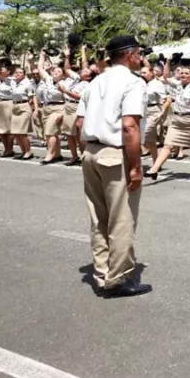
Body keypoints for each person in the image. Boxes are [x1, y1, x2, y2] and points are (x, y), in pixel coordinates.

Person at [75, 35, 151, 298]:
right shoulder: (133, 82)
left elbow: (78, 123)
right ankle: (117, 278)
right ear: (129, 54)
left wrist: (86, 151)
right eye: (139, 53)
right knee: (121, 219)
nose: (140, 58)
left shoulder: (94, 82)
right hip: (115, 152)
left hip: (91, 151)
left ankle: (101, 272)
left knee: (99, 218)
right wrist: (136, 166)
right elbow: (130, 125)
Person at [146, 58, 190, 181]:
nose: (183, 75)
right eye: (181, 73)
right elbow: (166, 77)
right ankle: (155, 168)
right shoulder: (178, 85)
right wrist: (168, 62)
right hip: (176, 120)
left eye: (186, 73)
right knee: (168, 145)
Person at [36, 53, 68, 164]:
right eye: (54, 71)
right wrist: (42, 55)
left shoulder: (64, 84)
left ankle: (49, 155)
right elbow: (40, 68)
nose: (55, 72)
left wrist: (63, 113)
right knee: (51, 132)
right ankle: (57, 154)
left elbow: (67, 100)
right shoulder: (48, 79)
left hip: (58, 108)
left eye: (59, 71)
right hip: (46, 107)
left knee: (50, 132)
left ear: (63, 75)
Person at [140, 61, 170, 163]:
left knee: (146, 133)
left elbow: (166, 99)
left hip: (154, 110)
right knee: (150, 140)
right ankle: (156, 162)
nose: (142, 75)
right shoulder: (141, 84)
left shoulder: (157, 84)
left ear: (152, 73)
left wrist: (162, 112)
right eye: (141, 73)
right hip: (143, 111)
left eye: (144, 72)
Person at [8, 66, 35, 160]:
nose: (18, 74)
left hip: (24, 106)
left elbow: (31, 97)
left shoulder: (28, 83)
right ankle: (23, 150)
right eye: (16, 72)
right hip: (15, 106)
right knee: (15, 132)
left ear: (24, 74)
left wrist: (32, 108)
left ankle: (28, 151)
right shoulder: (14, 83)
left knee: (22, 132)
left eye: (20, 72)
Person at [0, 63, 17, 157]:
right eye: (0, 70)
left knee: (9, 128)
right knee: (0, 128)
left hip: (8, 103)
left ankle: (10, 149)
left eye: (3, 70)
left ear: (8, 72)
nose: (1, 71)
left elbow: (15, 93)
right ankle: (6, 149)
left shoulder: (12, 81)